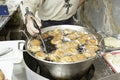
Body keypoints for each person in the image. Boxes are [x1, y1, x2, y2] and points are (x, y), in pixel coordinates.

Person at [20, 0, 85, 36]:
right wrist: (29, 16)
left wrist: (71, 10)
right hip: (48, 24)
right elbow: (29, 3)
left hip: (70, 22)